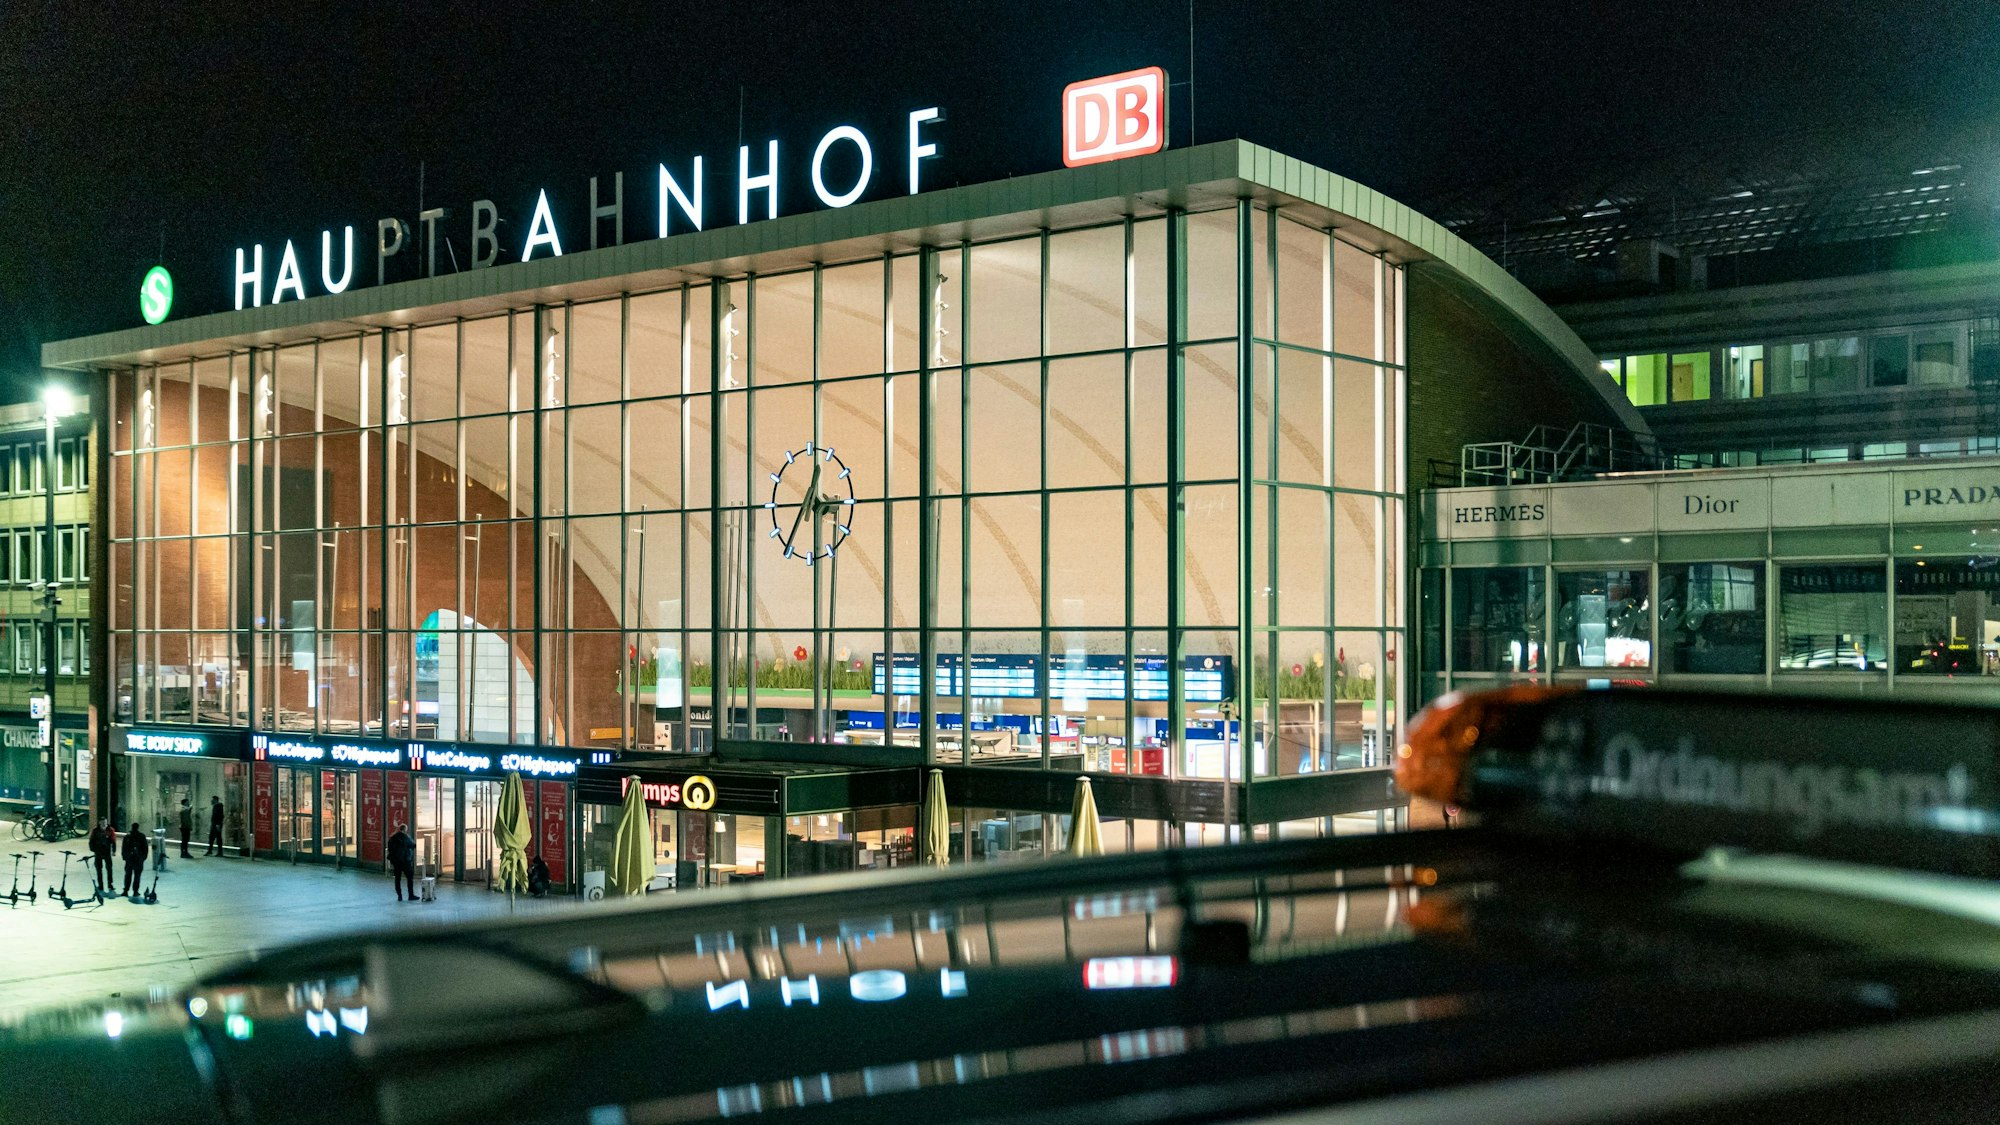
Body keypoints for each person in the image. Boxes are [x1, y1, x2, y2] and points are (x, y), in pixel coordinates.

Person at [387, 823, 417, 902]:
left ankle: (399, 896)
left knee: (397, 879)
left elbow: (390, 849)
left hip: (396, 861)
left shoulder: (392, 837)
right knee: (409, 878)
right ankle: (411, 895)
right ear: (405, 829)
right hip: (405, 861)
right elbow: (413, 845)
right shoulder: (405, 836)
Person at [121, 822, 149, 897]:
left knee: (128, 875)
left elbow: (124, 848)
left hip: (130, 859)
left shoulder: (128, 836)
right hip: (138, 860)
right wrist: (143, 857)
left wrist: (125, 857)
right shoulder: (141, 836)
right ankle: (135, 891)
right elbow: (145, 848)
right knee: (137, 876)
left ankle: (126, 890)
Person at [87, 819, 115, 892]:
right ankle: (100, 885)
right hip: (98, 852)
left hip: (107, 852)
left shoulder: (110, 830)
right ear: (99, 823)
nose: (104, 824)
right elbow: (91, 841)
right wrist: (93, 849)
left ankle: (110, 884)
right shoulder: (95, 831)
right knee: (99, 869)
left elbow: (113, 841)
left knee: (109, 869)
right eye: (102, 822)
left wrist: (113, 850)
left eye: (105, 822)